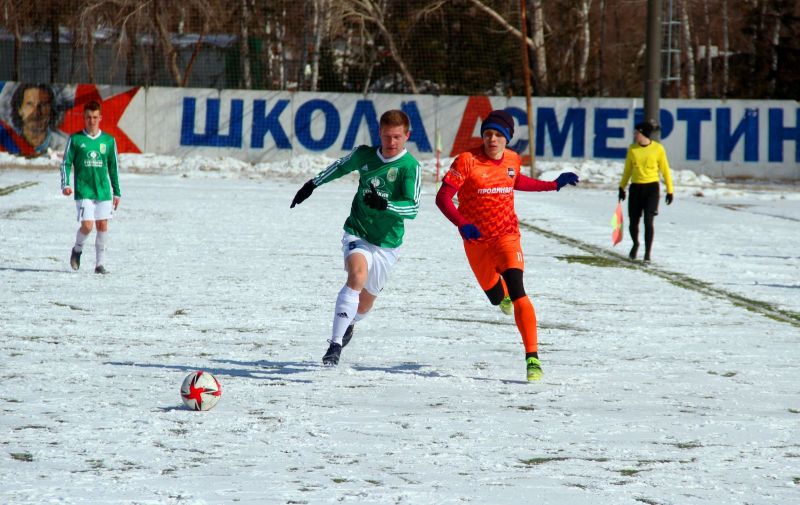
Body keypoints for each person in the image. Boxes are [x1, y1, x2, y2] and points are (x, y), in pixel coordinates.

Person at [435, 109, 579, 382]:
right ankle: (500, 295)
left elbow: (516, 180)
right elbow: (443, 197)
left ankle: (532, 358)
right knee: (496, 296)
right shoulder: (466, 161)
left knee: (518, 290)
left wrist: (552, 185)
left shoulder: (513, 159)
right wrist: (462, 223)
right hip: (476, 240)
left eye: (498, 135)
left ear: (507, 139)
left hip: (506, 236)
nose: (492, 139)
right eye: (488, 134)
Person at [290, 109, 421, 366]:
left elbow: (413, 208)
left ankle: (350, 321)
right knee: (356, 276)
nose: (391, 142)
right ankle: (335, 345)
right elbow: (340, 166)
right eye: (386, 136)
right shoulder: (364, 155)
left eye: (397, 137)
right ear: (379, 133)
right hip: (357, 231)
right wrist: (312, 184)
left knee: (363, 306)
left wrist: (386, 205)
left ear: (407, 135)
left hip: (388, 243)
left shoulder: (410, 167)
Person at [60, 100, 121, 274]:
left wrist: (117, 192)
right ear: (84, 118)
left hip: (103, 191)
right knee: (87, 226)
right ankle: (77, 249)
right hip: (84, 190)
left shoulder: (108, 141)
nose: (92, 121)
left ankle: (99, 265)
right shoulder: (75, 139)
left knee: (102, 225)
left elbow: (114, 168)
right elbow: (66, 163)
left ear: (100, 118)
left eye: (95, 117)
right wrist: (65, 184)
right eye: (88, 117)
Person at [617, 120, 673, 263]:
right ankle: (635, 243)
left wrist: (670, 191)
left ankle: (647, 253)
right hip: (636, 188)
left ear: (643, 134)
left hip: (651, 188)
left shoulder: (658, 149)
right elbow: (627, 170)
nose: (634, 135)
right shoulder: (632, 149)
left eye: (636, 133)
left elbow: (665, 170)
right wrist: (622, 187)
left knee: (648, 221)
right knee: (633, 222)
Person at [7, 83, 68, 156]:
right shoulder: (7, 142)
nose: (36, 112)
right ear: (20, 110)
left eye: (43, 104)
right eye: (30, 104)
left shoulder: (64, 146)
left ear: (51, 109)